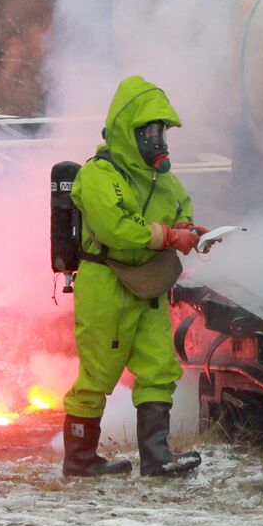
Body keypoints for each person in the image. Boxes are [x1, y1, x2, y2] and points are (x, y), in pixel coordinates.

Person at [61, 75, 206, 478]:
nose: (158, 140)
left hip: (150, 284)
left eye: (161, 131)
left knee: (159, 366)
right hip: (106, 282)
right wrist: (169, 236)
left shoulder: (161, 179)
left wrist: (190, 229)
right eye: (151, 131)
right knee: (98, 371)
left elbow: (181, 206)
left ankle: (157, 458)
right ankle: (79, 460)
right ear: (129, 130)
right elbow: (116, 230)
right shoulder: (98, 175)